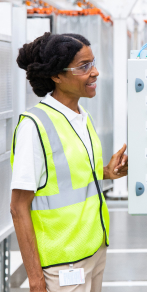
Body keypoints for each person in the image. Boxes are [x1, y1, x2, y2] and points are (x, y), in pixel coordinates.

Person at [10, 32, 128, 292]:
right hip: (63, 263)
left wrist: (107, 172)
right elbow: (18, 208)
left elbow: (66, 178)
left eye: (93, 62)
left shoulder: (81, 116)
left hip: (94, 250)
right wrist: (36, 279)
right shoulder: (34, 126)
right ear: (57, 76)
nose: (95, 72)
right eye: (84, 67)